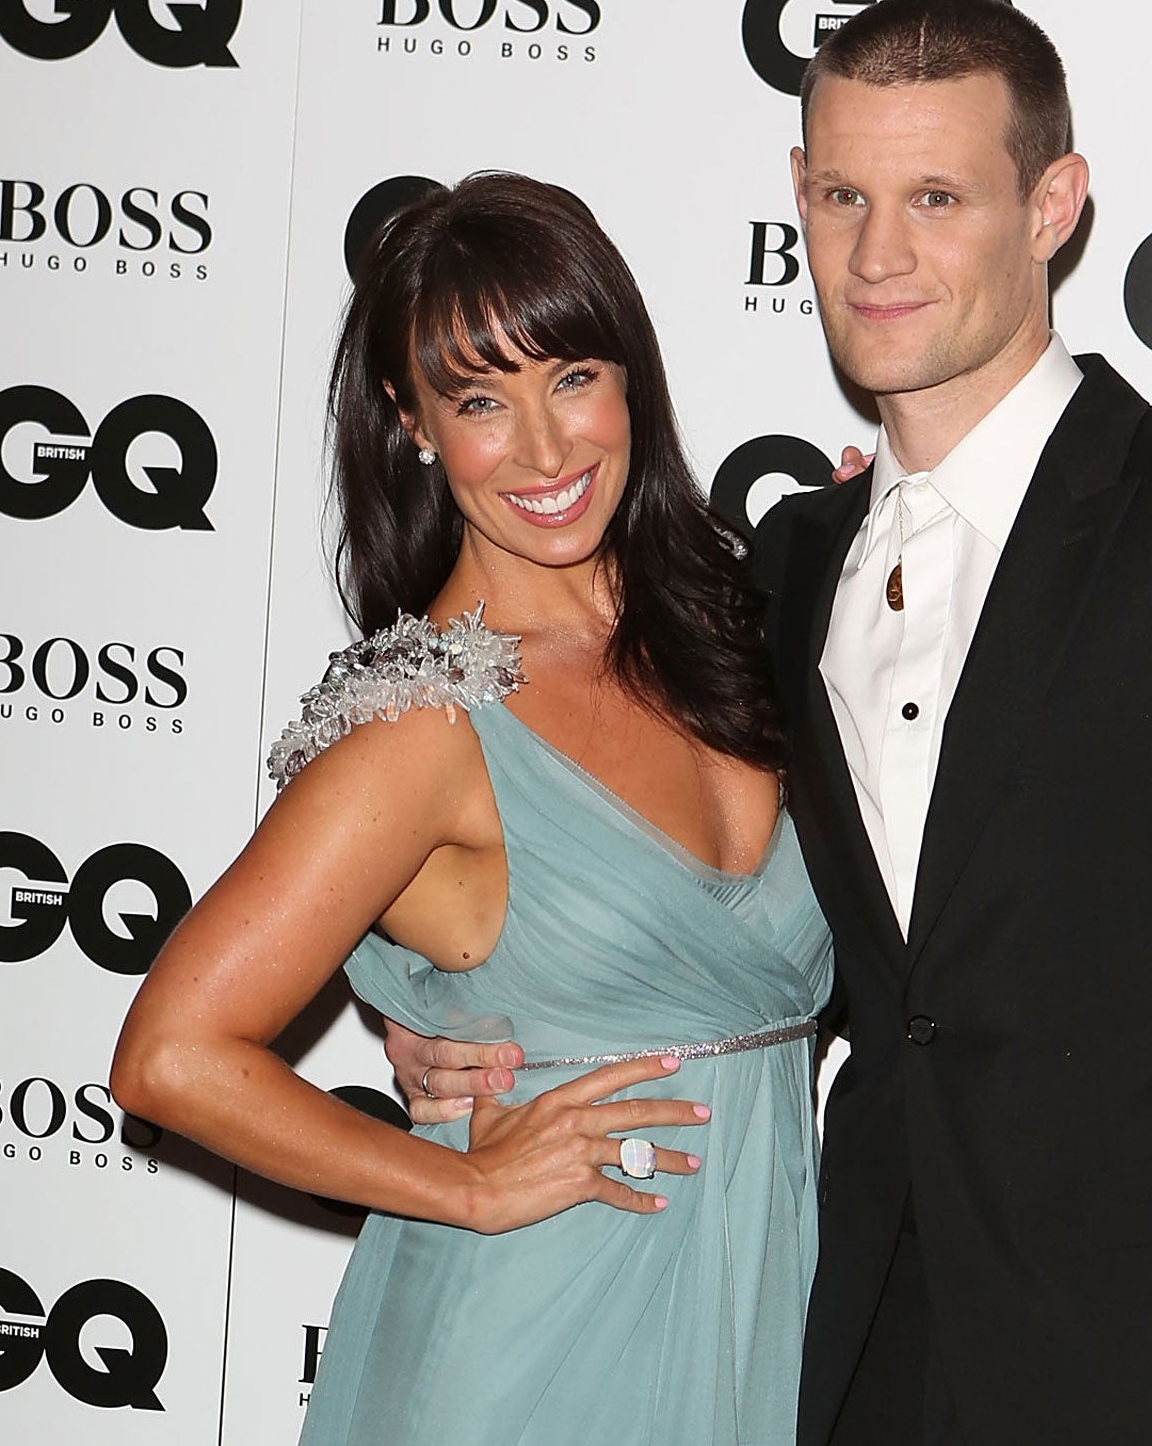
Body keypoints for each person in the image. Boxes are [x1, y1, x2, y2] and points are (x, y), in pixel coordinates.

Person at [389, 0, 1152, 1446]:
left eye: (937, 196)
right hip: (856, 1346)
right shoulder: (783, 564)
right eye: (842, 195)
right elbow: (736, 930)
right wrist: (476, 1028)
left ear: (1052, 204)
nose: (877, 255)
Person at [111, 172, 832, 1446]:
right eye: (481, 402)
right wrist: (460, 1182)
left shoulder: (743, 624)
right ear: (414, 425)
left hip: (753, 1311)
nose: (547, 451)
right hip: (528, 1336)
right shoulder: (421, 723)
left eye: (571, 379)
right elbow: (172, 1057)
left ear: (629, 380)